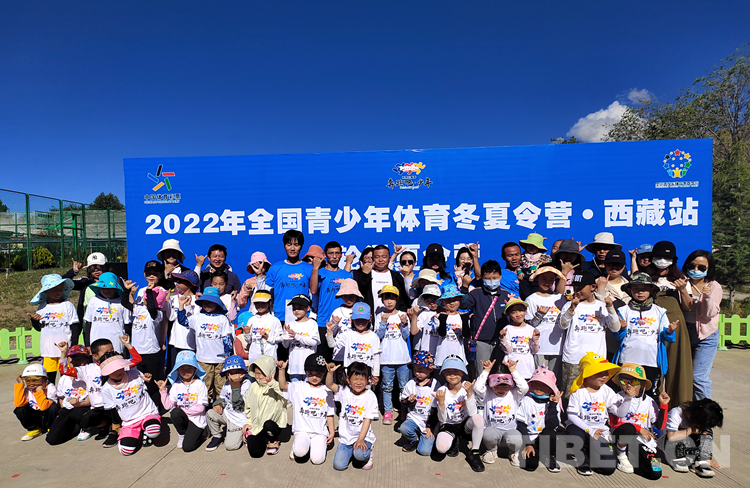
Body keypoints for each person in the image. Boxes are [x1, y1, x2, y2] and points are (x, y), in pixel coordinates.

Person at [613, 272, 678, 397]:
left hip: (651, 361)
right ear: (630, 290)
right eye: (636, 289)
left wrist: (670, 331)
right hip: (627, 359)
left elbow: (668, 338)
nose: (640, 292)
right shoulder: (623, 311)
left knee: (649, 394)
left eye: (644, 289)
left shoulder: (660, 311)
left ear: (651, 290)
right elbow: (618, 336)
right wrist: (622, 328)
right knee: (625, 393)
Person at [556, 271, 620, 396]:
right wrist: (571, 309)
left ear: (593, 287)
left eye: (581, 288)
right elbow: (562, 325)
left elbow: (616, 328)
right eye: (575, 287)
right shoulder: (569, 305)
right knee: (570, 394)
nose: (577, 291)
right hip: (573, 359)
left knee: (594, 395)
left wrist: (610, 308)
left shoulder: (602, 306)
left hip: (596, 361)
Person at [644, 241, 692, 406]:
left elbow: (688, 307)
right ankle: (648, 407)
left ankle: (676, 407)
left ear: (673, 260)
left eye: (666, 257)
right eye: (658, 257)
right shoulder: (646, 278)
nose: (662, 261)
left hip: (675, 327)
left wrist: (683, 290)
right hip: (649, 327)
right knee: (651, 367)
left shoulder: (681, 279)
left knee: (676, 366)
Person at [57, 337, 125, 448]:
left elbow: (136, 361)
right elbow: (64, 371)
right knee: (85, 420)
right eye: (106, 352)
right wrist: (64, 353)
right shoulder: (88, 369)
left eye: (112, 351)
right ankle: (105, 426)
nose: (110, 354)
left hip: (116, 404)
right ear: (95, 356)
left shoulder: (118, 364)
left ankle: (115, 430)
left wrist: (128, 346)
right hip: (99, 406)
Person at [564, 352, 625, 476]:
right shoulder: (578, 391)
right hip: (580, 428)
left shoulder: (607, 390)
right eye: (599, 373)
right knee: (575, 435)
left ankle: (589, 451)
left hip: (600, 431)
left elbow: (620, 413)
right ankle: (582, 459)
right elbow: (571, 415)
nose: (604, 376)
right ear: (587, 374)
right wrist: (589, 430)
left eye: (606, 372)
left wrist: (628, 399)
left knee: (609, 469)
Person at [608, 363, 670, 479]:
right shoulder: (616, 398)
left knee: (655, 473)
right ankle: (620, 454)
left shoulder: (649, 402)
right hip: (621, 436)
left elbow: (660, 426)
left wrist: (663, 405)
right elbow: (614, 423)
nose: (628, 385)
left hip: (642, 441)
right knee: (629, 428)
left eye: (633, 381)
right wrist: (638, 428)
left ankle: (633, 458)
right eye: (624, 381)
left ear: (642, 384)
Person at [100, 351, 162, 456]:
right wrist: (118, 427)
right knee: (126, 450)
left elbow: (151, 391)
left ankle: (146, 432)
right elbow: (113, 410)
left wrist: (149, 381)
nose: (118, 371)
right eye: (113, 370)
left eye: (120, 367)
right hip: (129, 421)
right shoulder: (106, 388)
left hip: (147, 413)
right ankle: (134, 433)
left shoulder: (135, 374)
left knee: (153, 431)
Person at [177, 287, 234, 400]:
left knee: (221, 385)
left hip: (220, 360)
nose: (207, 305)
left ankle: (220, 405)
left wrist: (228, 353)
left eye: (211, 302)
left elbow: (227, 337)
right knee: (205, 386)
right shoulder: (197, 317)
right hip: (203, 359)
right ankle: (205, 405)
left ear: (217, 303)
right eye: (205, 302)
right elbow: (182, 321)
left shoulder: (222, 319)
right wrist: (181, 306)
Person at [278, 354, 335, 465]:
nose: (314, 377)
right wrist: (281, 370)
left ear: (324, 373)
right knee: (300, 452)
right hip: (302, 430)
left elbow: (330, 413)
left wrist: (331, 432)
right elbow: (283, 386)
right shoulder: (298, 387)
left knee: (317, 460)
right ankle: (298, 447)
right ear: (305, 372)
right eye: (310, 374)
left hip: (319, 432)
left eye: (318, 374)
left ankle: (314, 446)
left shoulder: (327, 391)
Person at [681, 250, 722, 400]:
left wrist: (708, 295)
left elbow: (708, 314)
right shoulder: (682, 283)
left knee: (698, 376)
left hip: (706, 335)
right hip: (685, 333)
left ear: (709, 269)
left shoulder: (714, 286)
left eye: (701, 267)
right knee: (683, 375)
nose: (695, 270)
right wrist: (681, 290)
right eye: (692, 266)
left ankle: (704, 410)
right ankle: (687, 407)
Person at [460, 260, 511, 379]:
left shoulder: (506, 295)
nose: (492, 281)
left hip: (502, 341)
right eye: (488, 278)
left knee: (500, 374)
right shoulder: (476, 293)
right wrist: (465, 287)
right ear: (482, 278)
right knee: (482, 374)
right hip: (482, 341)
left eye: (495, 278)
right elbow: (463, 305)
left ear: (500, 276)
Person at [434, 355, 485, 472]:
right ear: (443, 373)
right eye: (448, 372)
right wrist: (441, 403)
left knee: (478, 418)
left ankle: (474, 452)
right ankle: (454, 440)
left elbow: (472, 413)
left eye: (456, 371)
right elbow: (442, 419)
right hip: (449, 424)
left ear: (463, 372)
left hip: (465, 423)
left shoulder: (467, 386)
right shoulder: (441, 391)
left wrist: (470, 394)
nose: (452, 375)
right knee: (441, 448)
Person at [47, 345, 107, 445]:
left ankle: (90, 427)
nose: (76, 361)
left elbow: (92, 397)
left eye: (81, 359)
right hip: (68, 408)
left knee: (78, 413)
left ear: (88, 360)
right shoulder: (63, 378)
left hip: (84, 407)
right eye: (73, 358)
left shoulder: (90, 373)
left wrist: (78, 404)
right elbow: (61, 398)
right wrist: (63, 353)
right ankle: (75, 427)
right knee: (52, 439)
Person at [474, 358, 527, 467]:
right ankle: (491, 450)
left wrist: (513, 370)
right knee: (488, 435)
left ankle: (513, 453)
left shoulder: (514, 393)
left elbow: (524, 387)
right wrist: (486, 370)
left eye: (505, 385)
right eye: (496, 386)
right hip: (492, 431)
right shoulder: (487, 393)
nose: (501, 389)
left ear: (511, 384)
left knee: (516, 439)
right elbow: (477, 387)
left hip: (510, 431)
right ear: (490, 384)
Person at [327, 361, 379, 471]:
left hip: (363, 436)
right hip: (346, 438)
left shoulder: (370, 396)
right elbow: (330, 385)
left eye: (362, 379)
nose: (358, 382)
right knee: (339, 466)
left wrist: (360, 439)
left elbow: (367, 420)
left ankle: (368, 454)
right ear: (348, 379)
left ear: (368, 379)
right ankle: (351, 451)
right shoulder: (345, 391)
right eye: (355, 379)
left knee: (360, 455)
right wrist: (330, 373)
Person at [28, 274, 77, 383]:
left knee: (66, 376)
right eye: (54, 289)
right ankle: (51, 393)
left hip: (65, 349)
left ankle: (65, 393)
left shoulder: (68, 305)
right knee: (49, 378)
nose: (58, 292)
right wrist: (34, 321)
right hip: (48, 350)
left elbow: (75, 326)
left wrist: (73, 345)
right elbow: (39, 328)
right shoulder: (42, 307)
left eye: (60, 289)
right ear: (46, 291)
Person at [157, 350, 208, 452]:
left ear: (195, 368)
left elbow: (200, 408)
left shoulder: (200, 384)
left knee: (187, 448)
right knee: (175, 413)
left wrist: (182, 409)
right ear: (177, 370)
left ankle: (201, 432)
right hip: (184, 418)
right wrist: (163, 391)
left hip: (196, 419)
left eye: (190, 368)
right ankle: (182, 434)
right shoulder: (176, 385)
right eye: (182, 369)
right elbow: (168, 406)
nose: (186, 372)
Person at [310, 241, 353, 358]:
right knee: (323, 358)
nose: (334, 256)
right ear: (325, 255)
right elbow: (313, 290)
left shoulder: (347, 275)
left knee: (341, 359)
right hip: (324, 321)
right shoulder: (319, 272)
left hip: (343, 322)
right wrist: (315, 268)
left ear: (341, 255)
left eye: (337, 253)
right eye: (331, 253)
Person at [375, 285, 410, 425]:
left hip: (402, 358)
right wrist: (383, 323)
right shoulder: (380, 316)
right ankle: (388, 411)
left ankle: (404, 410)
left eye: (392, 298)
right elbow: (377, 336)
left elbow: (406, 335)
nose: (389, 301)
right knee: (387, 387)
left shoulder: (402, 314)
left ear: (397, 299)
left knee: (404, 387)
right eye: (386, 298)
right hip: (386, 359)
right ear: (382, 300)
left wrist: (404, 323)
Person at [661, 398, 723, 478]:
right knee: (679, 434)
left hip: (689, 448)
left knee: (707, 432)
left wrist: (708, 457)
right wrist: (691, 430)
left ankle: (701, 461)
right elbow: (671, 437)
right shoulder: (676, 413)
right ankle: (678, 459)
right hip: (671, 446)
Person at [516, 366, 563, 472]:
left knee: (550, 432)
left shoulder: (553, 403)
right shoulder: (526, 400)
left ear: (551, 388)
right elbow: (521, 424)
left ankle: (550, 456)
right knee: (530, 465)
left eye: (544, 385)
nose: (539, 387)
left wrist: (552, 406)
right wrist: (528, 444)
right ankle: (535, 453)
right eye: (536, 383)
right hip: (528, 438)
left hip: (545, 438)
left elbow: (553, 425)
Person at [525, 265, 567, 382]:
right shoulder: (531, 299)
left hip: (558, 347)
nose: (547, 282)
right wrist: (539, 315)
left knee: (554, 379)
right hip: (540, 348)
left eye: (551, 279)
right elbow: (529, 325)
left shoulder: (560, 298)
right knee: (540, 379)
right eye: (544, 279)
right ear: (537, 278)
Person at [242, 355, 288, 457]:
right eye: (256, 373)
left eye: (262, 373)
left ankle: (273, 439)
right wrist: (249, 422)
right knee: (255, 453)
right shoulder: (253, 387)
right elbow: (248, 407)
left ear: (270, 372)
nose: (258, 376)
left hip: (272, 425)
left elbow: (286, 395)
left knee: (269, 425)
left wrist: (272, 383)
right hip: (257, 425)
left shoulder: (276, 386)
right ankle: (250, 435)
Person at [266, 230, 314, 323]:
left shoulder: (309, 268)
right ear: (284, 246)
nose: (292, 248)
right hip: (280, 316)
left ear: (301, 246)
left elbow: (314, 294)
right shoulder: (275, 268)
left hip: (303, 316)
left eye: (296, 245)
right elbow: (267, 291)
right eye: (289, 245)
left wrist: (312, 314)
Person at [206, 355, 252, 451]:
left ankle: (244, 433)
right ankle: (217, 436)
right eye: (230, 373)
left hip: (239, 420)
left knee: (230, 446)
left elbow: (239, 406)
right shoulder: (227, 384)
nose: (233, 376)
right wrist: (219, 404)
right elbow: (222, 398)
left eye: (237, 372)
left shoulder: (246, 385)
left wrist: (235, 385)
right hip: (227, 414)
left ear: (243, 373)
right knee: (210, 413)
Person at [62, 252, 110, 344]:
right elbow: (62, 283)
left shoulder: (116, 282)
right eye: (92, 267)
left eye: (100, 266)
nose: (96, 270)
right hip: (90, 328)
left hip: (111, 325)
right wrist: (74, 272)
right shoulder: (85, 282)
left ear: (106, 266)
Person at [326, 302, 380, 383]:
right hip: (350, 376)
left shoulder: (374, 337)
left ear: (370, 318)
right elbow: (332, 344)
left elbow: (376, 357)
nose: (360, 322)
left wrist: (375, 374)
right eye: (358, 319)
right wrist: (329, 331)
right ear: (352, 319)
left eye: (363, 319)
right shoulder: (347, 334)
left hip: (366, 376)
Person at [398, 351, 438, 456]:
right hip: (414, 418)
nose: (417, 373)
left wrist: (431, 426)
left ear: (430, 369)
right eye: (415, 370)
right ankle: (414, 439)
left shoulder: (436, 385)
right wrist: (408, 400)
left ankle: (429, 438)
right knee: (404, 428)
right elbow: (403, 401)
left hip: (429, 421)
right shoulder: (411, 384)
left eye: (420, 370)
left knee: (424, 451)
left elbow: (436, 409)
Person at [354, 244, 410, 318]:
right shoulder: (366, 275)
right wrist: (365, 275)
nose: (380, 260)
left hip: (393, 322)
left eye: (384, 257)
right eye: (377, 257)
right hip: (370, 320)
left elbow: (403, 300)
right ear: (373, 259)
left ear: (389, 258)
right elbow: (358, 295)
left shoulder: (396, 276)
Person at [84, 272, 131, 353]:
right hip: (96, 343)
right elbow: (88, 323)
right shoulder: (93, 300)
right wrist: (88, 344)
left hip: (117, 344)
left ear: (115, 288)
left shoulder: (122, 302)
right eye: (103, 288)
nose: (106, 290)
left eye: (110, 288)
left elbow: (127, 324)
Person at [236, 291, 283, 366]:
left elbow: (281, 338)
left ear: (269, 303)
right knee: (254, 372)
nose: (260, 306)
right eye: (257, 303)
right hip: (254, 355)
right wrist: (247, 333)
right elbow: (249, 341)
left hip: (269, 354)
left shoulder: (274, 320)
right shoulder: (251, 320)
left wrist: (268, 338)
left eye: (263, 303)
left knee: (269, 372)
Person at [13, 363, 59, 441]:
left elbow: (44, 407)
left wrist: (39, 392)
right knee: (19, 409)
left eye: (35, 380)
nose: (31, 384)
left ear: (45, 379)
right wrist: (20, 385)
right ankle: (35, 429)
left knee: (53, 407)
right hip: (37, 415)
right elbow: (19, 404)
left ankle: (50, 428)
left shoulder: (51, 388)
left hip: (47, 416)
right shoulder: (28, 389)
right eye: (28, 381)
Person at [282, 294, 321, 382]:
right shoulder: (290, 324)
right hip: (294, 366)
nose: (296, 310)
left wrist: (296, 336)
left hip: (309, 366)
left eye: (300, 308)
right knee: (295, 389)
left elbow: (314, 342)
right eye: (294, 308)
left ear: (308, 308)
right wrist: (285, 336)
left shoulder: (312, 324)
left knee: (308, 388)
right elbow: (286, 345)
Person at [166, 270, 199, 370]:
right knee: (174, 370)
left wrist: (187, 307)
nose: (177, 283)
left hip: (189, 343)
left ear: (189, 284)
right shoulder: (174, 298)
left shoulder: (197, 300)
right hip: (175, 341)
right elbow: (171, 317)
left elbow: (191, 322)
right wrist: (167, 302)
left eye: (180, 281)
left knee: (188, 371)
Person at [326, 279, 363, 362]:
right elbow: (333, 334)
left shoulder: (362, 310)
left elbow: (368, 329)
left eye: (351, 296)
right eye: (345, 296)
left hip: (357, 352)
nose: (348, 299)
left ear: (356, 296)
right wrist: (334, 324)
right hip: (340, 353)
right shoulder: (337, 312)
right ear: (341, 296)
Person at [435, 285, 470, 369]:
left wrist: (465, 321)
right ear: (443, 302)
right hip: (443, 356)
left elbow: (466, 335)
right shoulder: (439, 316)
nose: (452, 303)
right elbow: (441, 334)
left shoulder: (463, 317)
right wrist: (443, 319)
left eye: (455, 300)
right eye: (448, 300)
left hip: (459, 355)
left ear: (460, 300)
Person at [408, 284, 442, 358]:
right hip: (426, 353)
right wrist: (415, 315)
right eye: (428, 301)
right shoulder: (424, 314)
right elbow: (413, 332)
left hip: (441, 352)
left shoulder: (445, 314)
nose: (432, 303)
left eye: (434, 300)